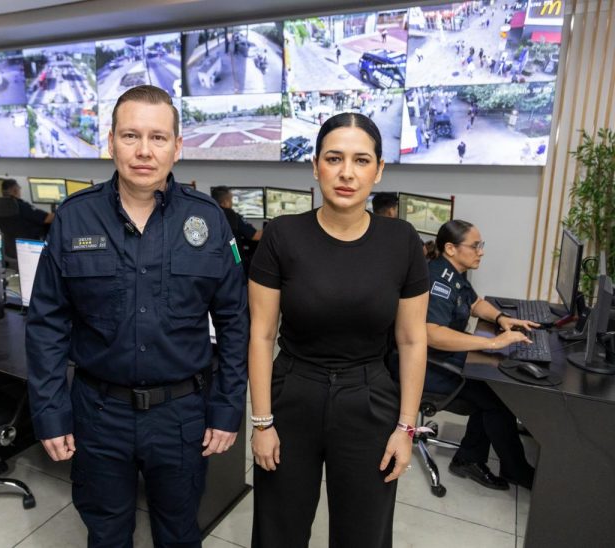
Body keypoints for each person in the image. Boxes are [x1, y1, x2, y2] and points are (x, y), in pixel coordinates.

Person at [25, 85, 249, 548]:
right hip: (98, 412)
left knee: (179, 532)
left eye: (158, 137)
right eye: (130, 136)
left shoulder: (209, 221)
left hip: (182, 415)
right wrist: (50, 412)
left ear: (177, 147)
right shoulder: (74, 218)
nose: (144, 151)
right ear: (110, 142)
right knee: (106, 534)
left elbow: (234, 322)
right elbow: (46, 323)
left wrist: (228, 409)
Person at [248, 112, 429, 548]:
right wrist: (261, 422)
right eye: (334, 158)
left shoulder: (401, 240)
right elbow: (261, 335)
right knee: (278, 532)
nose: (347, 173)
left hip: (369, 399)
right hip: (292, 395)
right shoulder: (282, 235)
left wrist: (406, 429)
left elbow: (411, 339)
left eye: (361, 160)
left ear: (379, 169)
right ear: (315, 166)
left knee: (363, 535)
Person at [425, 220, 536, 489]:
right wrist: (491, 343)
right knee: (497, 397)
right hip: (428, 366)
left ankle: (469, 456)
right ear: (450, 248)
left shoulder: (454, 273)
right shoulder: (438, 281)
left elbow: (475, 303)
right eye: (475, 246)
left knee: (494, 384)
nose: (481, 251)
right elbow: (432, 333)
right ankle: (514, 470)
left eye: (480, 245)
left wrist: (501, 318)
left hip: (444, 357)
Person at [211, 186, 262, 274]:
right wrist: (272, 228)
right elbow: (256, 236)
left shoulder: (210, 214)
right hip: (235, 256)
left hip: (216, 261)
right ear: (226, 202)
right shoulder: (233, 216)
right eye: (231, 200)